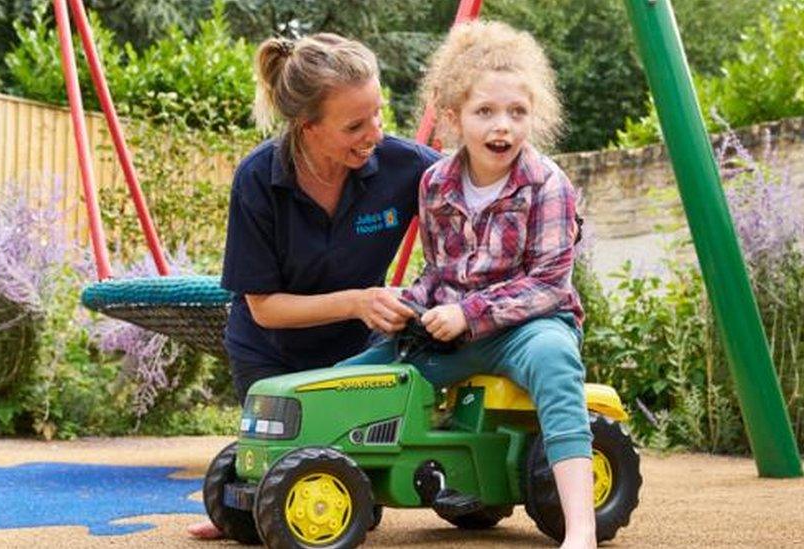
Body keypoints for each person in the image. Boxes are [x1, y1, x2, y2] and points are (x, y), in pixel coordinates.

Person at [338, 20, 596, 549]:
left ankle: (582, 528)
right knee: (360, 373)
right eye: (485, 112)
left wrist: (469, 313)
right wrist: (409, 303)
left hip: (531, 326)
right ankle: (309, 482)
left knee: (555, 361)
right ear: (454, 117)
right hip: (460, 334)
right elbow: (440, 273)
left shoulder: (547, 183)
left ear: (534, 114)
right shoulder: (435, 184)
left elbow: (549, 283)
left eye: (516, 112)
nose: (502, 126)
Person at [186, 33, 441, 540]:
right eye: (355, 124)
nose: (375, 131)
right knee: (291, 483)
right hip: (271, 353)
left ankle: (269, 497)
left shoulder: (407, 165)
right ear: (308, 127)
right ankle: (254, 498)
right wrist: (358, 301)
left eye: (377, 112)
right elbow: (264, 309)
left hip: (356, 353)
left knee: (357, 502)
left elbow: (479, 191)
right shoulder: (258, 179)